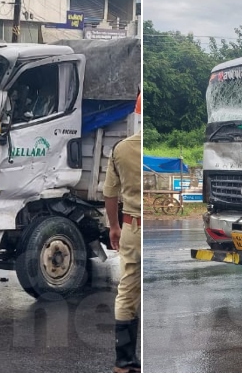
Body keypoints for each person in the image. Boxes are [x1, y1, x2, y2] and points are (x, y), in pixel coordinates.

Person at [103, 97, 141, 373]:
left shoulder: (121, 149)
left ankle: (124, 362)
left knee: (127, 291)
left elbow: (109, 193)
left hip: (133, 227)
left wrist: (114, 226)